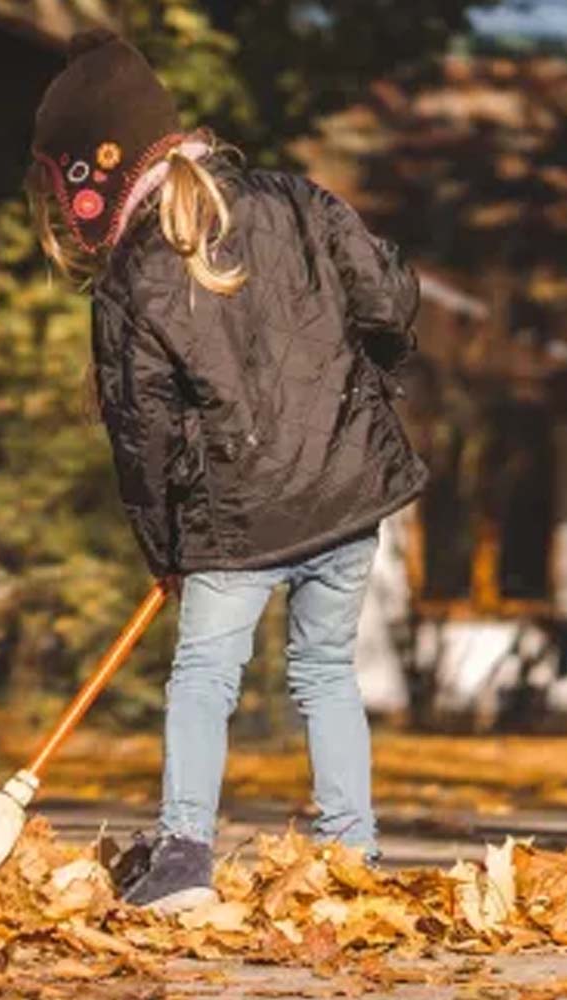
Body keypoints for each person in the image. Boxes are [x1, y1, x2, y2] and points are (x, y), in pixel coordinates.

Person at [27, 29, 428, 913]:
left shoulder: (131, 283)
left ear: (96, 179)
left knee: (205, 679)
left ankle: (183, 857)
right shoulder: (297, 201)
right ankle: (352, 855)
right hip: (345, 495)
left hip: (233, 527)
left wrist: (164, 549)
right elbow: (390, 298)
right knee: (324, 670)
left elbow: (146, 436)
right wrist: (376, 372)